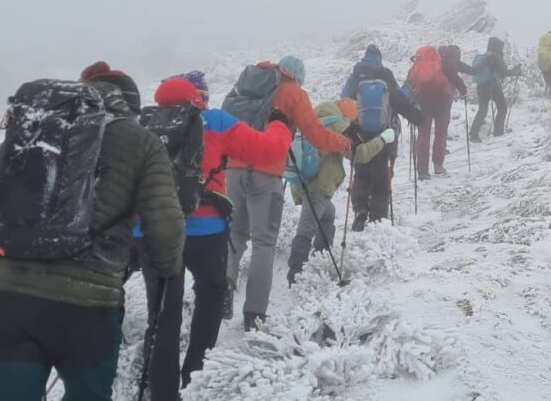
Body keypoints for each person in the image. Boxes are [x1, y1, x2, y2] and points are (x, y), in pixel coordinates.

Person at [0, 68, 185, 401]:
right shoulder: (141, 142)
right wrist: (166, 269)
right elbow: (165, 227)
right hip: (87, 304)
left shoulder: (36, 125)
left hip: (5, 296)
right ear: (130, 108)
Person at [134, 74, 292, 398]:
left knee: (163, 314)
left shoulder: (141, 125)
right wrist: (279, 124)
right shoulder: (215, 120)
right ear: (199, 98)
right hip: (207, 229)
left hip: (153, 230)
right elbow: (269, 151)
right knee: (211, 291)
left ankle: (163, 393)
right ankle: (195, 376)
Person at [225, 55, 351, 331]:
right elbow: (315, 134)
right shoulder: (294, 93)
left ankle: (224, 288)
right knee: (263, 243)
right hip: (266, 173)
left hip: (232, 170)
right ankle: (254, 313)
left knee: (235, 234)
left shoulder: (246, 86)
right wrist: (343, 141)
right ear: (297, 76)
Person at [286, 98, 392, 284]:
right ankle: (295, 274)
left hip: (301, 182)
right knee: (307, 226)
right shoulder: (337, 126)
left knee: (328, 214)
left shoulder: (313, 120)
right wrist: (383, 139)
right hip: (318, 186)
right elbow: (360, 154)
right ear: (348, 117)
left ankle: (321, 255)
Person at [340, 45, 422, 231]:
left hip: (360, 139)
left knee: (361, 176)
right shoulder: (390, 92)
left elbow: (345, 108)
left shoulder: (359, 90)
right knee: (381, 183)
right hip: (385, 142)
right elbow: (417, 119)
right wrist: (415, 106)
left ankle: (360, 209)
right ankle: (378, 225)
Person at [406, 46, 454, 180]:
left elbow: (409, 86)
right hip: (442, 104)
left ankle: (422, 171)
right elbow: (449, 82)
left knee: (423, 136)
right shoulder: (441, 65)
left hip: (423, 105)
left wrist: (411, 103)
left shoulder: (415, 69)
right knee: (441, 134)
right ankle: (438, 165)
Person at [469, 37, 519, 143]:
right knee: (502, 107)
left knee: (482, 110)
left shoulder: (484, 56)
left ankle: (473, 135)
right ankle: (498, 132)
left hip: (481, 85)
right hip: (493, 86)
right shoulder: (497, 57)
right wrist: (515, 71)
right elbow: (504, 72)